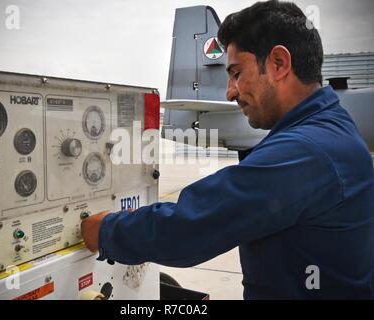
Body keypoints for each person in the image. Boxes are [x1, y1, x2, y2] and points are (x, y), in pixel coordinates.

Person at [82, 0, 374, 299]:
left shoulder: (307, 149)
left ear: (278, 64)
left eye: (236, 73)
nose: (230, 91)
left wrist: (105, 230)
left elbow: (190, 228)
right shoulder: (332, 128)